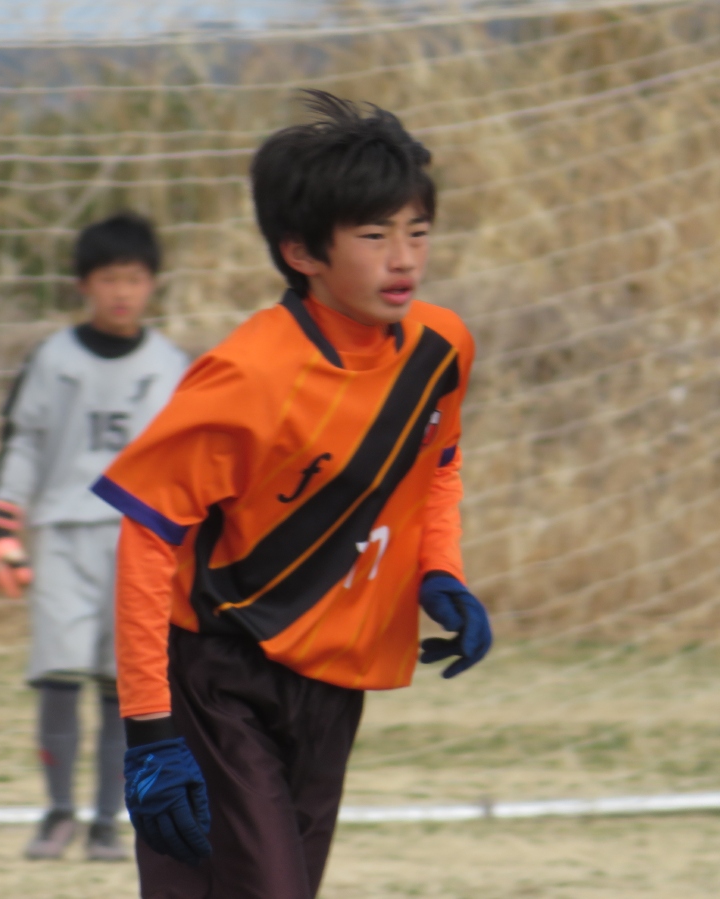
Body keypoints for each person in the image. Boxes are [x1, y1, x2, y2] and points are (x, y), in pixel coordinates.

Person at [90, 91, 493, 897]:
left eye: (417, 231)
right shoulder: (245, 377)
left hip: (330, 684)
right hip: (217, 672)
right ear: (302, 250)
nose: (403, 258)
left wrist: (439, 570)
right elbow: (146, 539)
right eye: (373, 235)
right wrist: (150, 731)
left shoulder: (442, 346)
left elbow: (437, 465)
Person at [0, 212, 190, 861]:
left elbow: (190, 461)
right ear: (83, 285)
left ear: (152, 284)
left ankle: (107, 821)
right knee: (58, 676)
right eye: (108, 279)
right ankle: (57, 814)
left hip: (141, 541)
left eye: (134, 278)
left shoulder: (171, 366)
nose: (121, 292)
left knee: (124, 687)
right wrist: (2, 528)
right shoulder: (53, 359)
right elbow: (23, 443)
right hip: (64, 535)